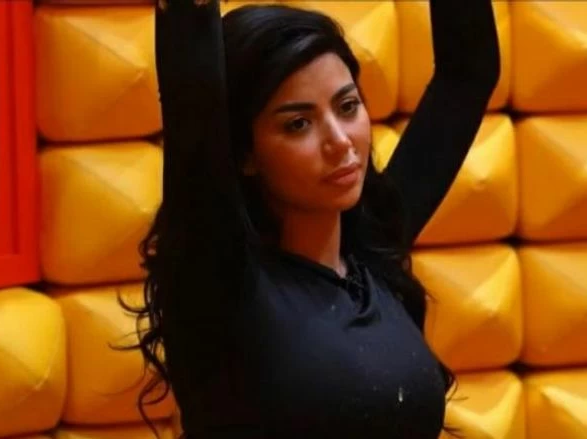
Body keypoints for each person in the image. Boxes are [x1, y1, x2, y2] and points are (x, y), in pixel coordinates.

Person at [126, 0, 500, 437]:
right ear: (244, 153)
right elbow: (193, 93)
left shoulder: (372, 248)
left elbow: (467, 75)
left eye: (348, 107)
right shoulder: (219, 280)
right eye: (299, 124)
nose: (340, 141)